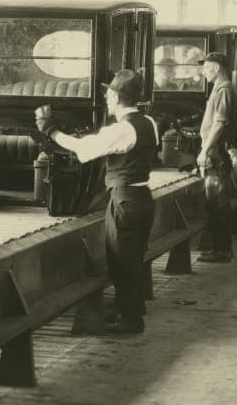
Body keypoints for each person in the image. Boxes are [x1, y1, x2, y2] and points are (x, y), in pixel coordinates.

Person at [35, 69, 158, 335]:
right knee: (133, 257)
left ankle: (131, 320)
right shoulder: (149, 123)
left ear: (115, 96)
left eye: (107, 93)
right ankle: (130, 309)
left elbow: (85, 150)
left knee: (122, 260)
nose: (105, 97)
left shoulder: (122, 130)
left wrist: (51, 130)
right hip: (143, 196)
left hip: (125, 200)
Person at [194, 51, 237, 263]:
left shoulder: (223, 89)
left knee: (217, 202)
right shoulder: (221, 89)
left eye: (206, 68)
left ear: (217, 68)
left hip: (215, 152)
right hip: (215, 150)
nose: (203, 72)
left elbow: (219, 123)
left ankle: (222, 250)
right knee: (215, 201)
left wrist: (205, 149)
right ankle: (219, 248)